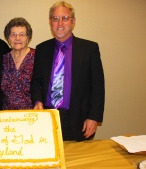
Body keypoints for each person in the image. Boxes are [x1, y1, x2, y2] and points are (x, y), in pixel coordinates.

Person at [31, 1, 105, 141]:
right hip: (48, 119)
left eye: (65, 18)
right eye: (55, 18)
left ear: (73, 21)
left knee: (78, 161)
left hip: (79, 120)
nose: (60, 23)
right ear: (50, 22)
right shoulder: (42, 48)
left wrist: (93, 117)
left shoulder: (89, 49)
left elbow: (98, 87)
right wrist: (37, 101)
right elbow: (36, 81)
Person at [2, 17, 35, 110]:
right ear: (8, 38)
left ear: (28, 38)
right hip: (7, 116)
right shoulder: (3, 59)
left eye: (22, 34)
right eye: (13, 35)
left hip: (31, 116)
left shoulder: (37, 58)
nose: (17, 38)